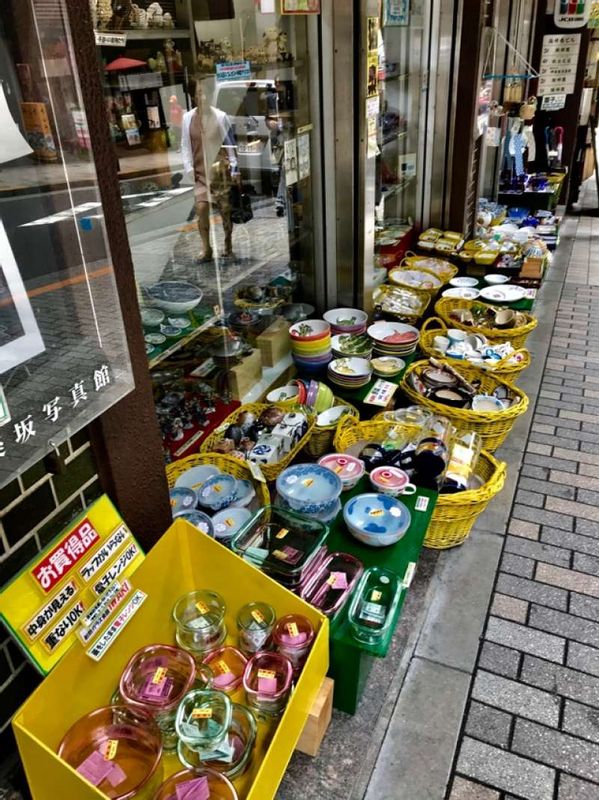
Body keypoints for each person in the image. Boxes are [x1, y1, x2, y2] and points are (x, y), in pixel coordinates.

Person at [182, 77, 238, 263]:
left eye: (205, 93)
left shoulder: (221, 116)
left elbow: (230, 144)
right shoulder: (187, 118)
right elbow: (185, 145)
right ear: (193, 96)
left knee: (225, 211)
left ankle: (228, 244)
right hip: (199, 173)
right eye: (198, 93)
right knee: (201, 209)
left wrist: (235, 168)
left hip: (219, 173)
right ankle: (206, 248)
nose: (203, 97)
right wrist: (189, 168)